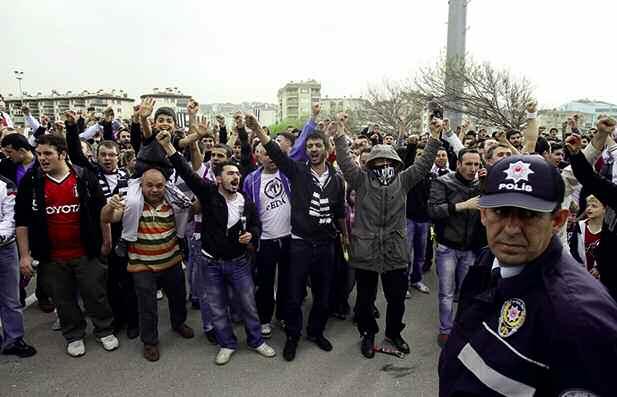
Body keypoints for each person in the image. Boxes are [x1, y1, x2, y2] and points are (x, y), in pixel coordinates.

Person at [439, 155, 617, 397]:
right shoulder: (487, 261)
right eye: (501, 211)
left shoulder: (580, 319)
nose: (511, 229)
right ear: (483, 214)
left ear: (558, 221)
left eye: (528, 214)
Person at [156, 131, 275, 365]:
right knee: (217, 307)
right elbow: (188, 174)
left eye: (238, 174)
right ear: (219, 179)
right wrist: (169, 147)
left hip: (240, 263)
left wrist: (253, 234)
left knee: (249, 304)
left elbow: (256, 225)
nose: (236, 177)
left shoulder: (245, 201)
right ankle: (227, 344)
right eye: (230, 173)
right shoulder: (209, 194)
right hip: (210, 263)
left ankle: (256, 340)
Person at [333, 116, 442, 358]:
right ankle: (367, 334)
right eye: (378, 161)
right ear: (370, 164)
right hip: (366, 250)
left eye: (388, 161)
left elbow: (423, 165)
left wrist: (434, 138)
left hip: (395, 250)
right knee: (364, 300)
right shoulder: (360, 181)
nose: (383, 165)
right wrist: (340, 135)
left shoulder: (403, 181)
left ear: (395, 163)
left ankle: (394, 333)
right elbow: (345, 161)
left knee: (396, 300)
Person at [249, 114, 346, 362]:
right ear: (305, 150)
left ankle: (315, 332)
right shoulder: (298, 172)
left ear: (326, 149)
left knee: (323, 295)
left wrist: (345, 238)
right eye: (310, 146)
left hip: (326, 246)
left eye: (318, 145)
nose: (313, 149)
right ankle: (293, 336)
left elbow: (339, 213)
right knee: (293, 295)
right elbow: (276, 152)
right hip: (300, 244)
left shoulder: (337, 180)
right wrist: (257, 129)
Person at [16, 134, 118, 357]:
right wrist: (24, 255)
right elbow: (21, 221)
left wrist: (107, 240)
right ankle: (74, 335)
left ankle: (104, 330)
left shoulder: (83, 177)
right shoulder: (30, 182)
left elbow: (103, 211)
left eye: (48, 154)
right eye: (39, 154)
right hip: (52, 257)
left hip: (86, 252)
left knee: (96, 294)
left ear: (62, 154)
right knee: (63, 299)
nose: (41, 158)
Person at [101, 167, 194, 362]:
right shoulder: (131, 204)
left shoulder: (173, 202)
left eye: (159, 185)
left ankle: (178, 324)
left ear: (165, 186)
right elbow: (106, 218)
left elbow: (193, 209)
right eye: (149, 185)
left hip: (172, 261)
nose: (154, 190)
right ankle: (150, 342)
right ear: (141, 185)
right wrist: (110, 206)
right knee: (147, 306)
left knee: (178, 297)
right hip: (142, 266)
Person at [428, 148, 482, 348]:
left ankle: (463, 328)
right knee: (447, 292)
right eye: (468, 164)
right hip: (447, 248)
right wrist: (461, 205)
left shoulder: (480, 184)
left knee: (467, 291)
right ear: (458, 164)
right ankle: (445, 330)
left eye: (476, 164)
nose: (473, 168)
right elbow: (433, 209)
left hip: (470, 248)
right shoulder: (443, 181)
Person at [243, 143, 292, 338]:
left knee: (287, 282)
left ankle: (283, 315)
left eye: (274, 153)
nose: (271, 157)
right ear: (258, 157)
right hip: (264, 240)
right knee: (265, 283)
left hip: (289, 237)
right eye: (266, 154)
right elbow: (246, 210)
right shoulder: (251, 180)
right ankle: (264, 319)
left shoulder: (289, 173)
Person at [0, 174, 36, 358]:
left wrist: (1, 236)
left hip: (4, 249)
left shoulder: (6, 185)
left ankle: (13, 340)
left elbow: (10, 217)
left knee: (11, 299)